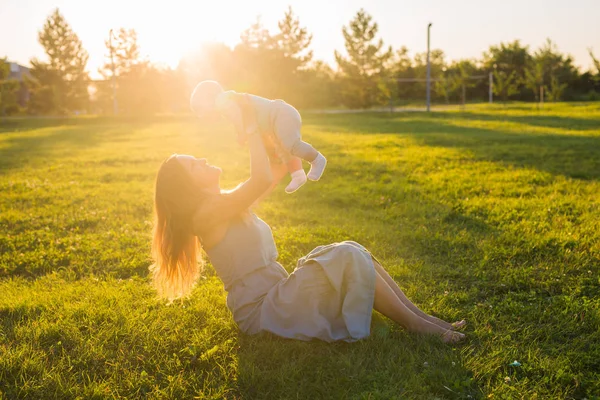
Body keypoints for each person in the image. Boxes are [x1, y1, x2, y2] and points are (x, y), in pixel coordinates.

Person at [150, 127, 466, 343]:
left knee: (355, 250)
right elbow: (259, 181)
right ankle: (419, 328)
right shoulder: (205, 216)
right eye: (194, 165)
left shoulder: (223, 202)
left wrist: (271, 137)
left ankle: (426, 321)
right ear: (187, 186)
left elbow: (268, 177)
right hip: (262, 311)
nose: (202, 159)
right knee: (346, 255)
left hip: (279, 293)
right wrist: (251, 131)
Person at [190, 80, 327, 194]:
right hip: (273, 121)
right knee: (283, 149)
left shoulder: (222, 100)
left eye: (201, 110)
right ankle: (298, 175)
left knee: (291, 145)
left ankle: (317, 159)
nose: (204, 116)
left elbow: (238, 115)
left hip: (280, 114)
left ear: (208, 99)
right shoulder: (224, 103)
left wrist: (241, 133)